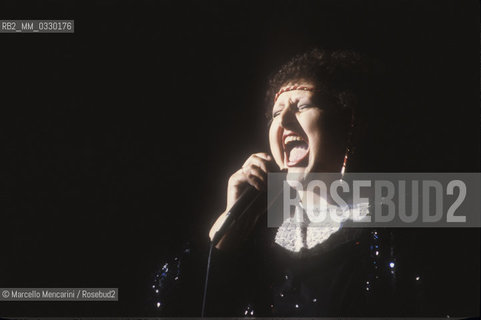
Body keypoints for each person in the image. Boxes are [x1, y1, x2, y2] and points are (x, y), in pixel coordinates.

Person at [151, 48, 479, 317]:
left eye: (302, 105)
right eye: (276, 112)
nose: (284, 121)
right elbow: (173, 306)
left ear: (350, 121)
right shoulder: (260, 231)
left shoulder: (404, 216)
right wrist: (226, 232)